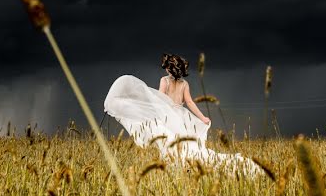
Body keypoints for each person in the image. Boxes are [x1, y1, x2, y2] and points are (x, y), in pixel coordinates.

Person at [103, 53, 260, 176]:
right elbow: (190, 103)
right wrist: (202, 117)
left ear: (168, 69)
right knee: (186, 146)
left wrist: (146, 110)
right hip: (182, 118)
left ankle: (178, 169)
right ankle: (185, 168)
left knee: (173, 145)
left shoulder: (164, 81)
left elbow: (159, 100)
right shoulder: (185, 84)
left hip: (167, 116)